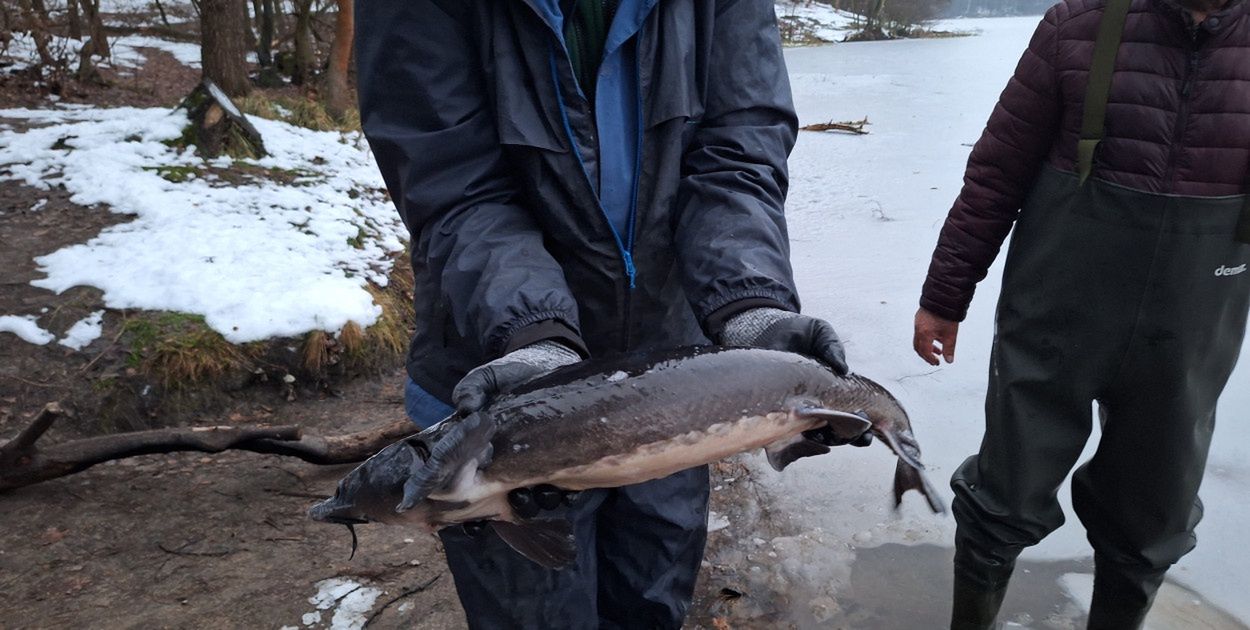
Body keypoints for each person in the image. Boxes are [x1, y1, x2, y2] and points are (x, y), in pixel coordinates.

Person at [355, 1, 864, 627]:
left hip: (675, 385)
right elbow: (456, 188)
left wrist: (750, 305)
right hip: (499, 380)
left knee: (651, 606)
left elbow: (737, 158)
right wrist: (533, 335)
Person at [914, 0, 1250, 627]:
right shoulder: (1079, 26)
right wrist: (943, 296)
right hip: (1055, 326)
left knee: (1153, 520)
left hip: (1186, 345)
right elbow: (994, 176)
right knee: (1002, 498)